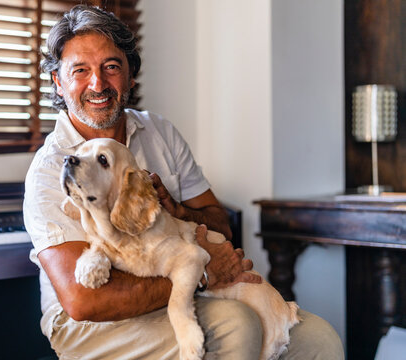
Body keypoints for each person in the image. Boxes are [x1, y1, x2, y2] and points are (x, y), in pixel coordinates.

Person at [23, 5, 344, 359]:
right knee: (235, 324)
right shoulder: (51, 168)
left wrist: (175, 211)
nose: (98, 83)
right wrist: (205, 273)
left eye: (111, 67)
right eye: (80, 70)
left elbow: (219, 221)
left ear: (131, 76)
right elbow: (83, 301)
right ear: (58, 81)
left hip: (181, 288)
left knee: (320, 339)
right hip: (88, 323)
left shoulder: (158, 131)